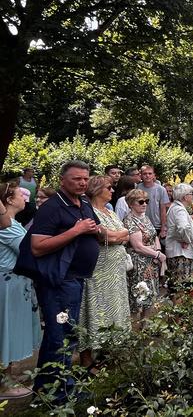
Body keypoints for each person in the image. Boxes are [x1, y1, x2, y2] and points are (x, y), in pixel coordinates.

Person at [17, 160, 101, 397]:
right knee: (62, 336)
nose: (82, 182)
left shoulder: (83, 201)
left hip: (76, 277)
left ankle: (45, 389)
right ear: (62, 180)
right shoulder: (52, 207)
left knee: (60, 334)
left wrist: (95, 230)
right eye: (77, 179)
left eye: (85, 178)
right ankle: (61, 393)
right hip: (59, 280)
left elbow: (92, 226)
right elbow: (37, 246)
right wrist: (76, 231)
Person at [78, 175, 131, 371]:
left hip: (115, 273)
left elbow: (125, 234)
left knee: (114, 308)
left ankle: (109, 351)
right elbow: (104, 236)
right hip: (99, 271)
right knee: (95, 309)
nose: (112, 191)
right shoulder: (88, 211)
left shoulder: (109, 211)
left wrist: (117, 236)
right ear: (97, 189)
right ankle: (88, 358)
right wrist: (117, 236)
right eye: (109, 187)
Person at [0, 182, 41, 399]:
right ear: (8, 200)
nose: (25, 197)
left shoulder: (12, 222)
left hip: (18, 284)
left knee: (12, 331)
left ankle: (8, 376)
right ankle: (4, 385)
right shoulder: (4, 225)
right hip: (8, 285)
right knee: (7, 332)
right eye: (19, 194)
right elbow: (26, 249)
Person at [123, 189, 165, 318]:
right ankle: (136, 327)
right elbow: (138, 247)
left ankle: (145, 326)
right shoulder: (130, 221)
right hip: (139, 264)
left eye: (146, 201)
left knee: (150, 294)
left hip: (150, 262)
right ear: (131, 204)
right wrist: (157, 255)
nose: (144, 204)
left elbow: (154, 236)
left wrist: (157, 250)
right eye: (140, 202)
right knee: (139, 295)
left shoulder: (145, 217)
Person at [164, 184, 193, 296]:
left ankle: (179, 311)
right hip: (181, 253)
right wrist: (186, 240)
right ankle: (181, 312)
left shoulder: (175, 207)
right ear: (185, 197)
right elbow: (183, 227)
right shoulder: (179, 210)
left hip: (177, 251)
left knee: (178, 285)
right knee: (181, 286)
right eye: (191, 194)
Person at [137, 165, 169, 241]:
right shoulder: (137, 188)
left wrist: (163, 228)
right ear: (141, 175)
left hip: (156, 225)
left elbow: (163, 210)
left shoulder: (161, 189)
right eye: (145, 174)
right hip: (141, 225)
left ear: (154, 175)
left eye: (150, 173)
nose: (147, 176)